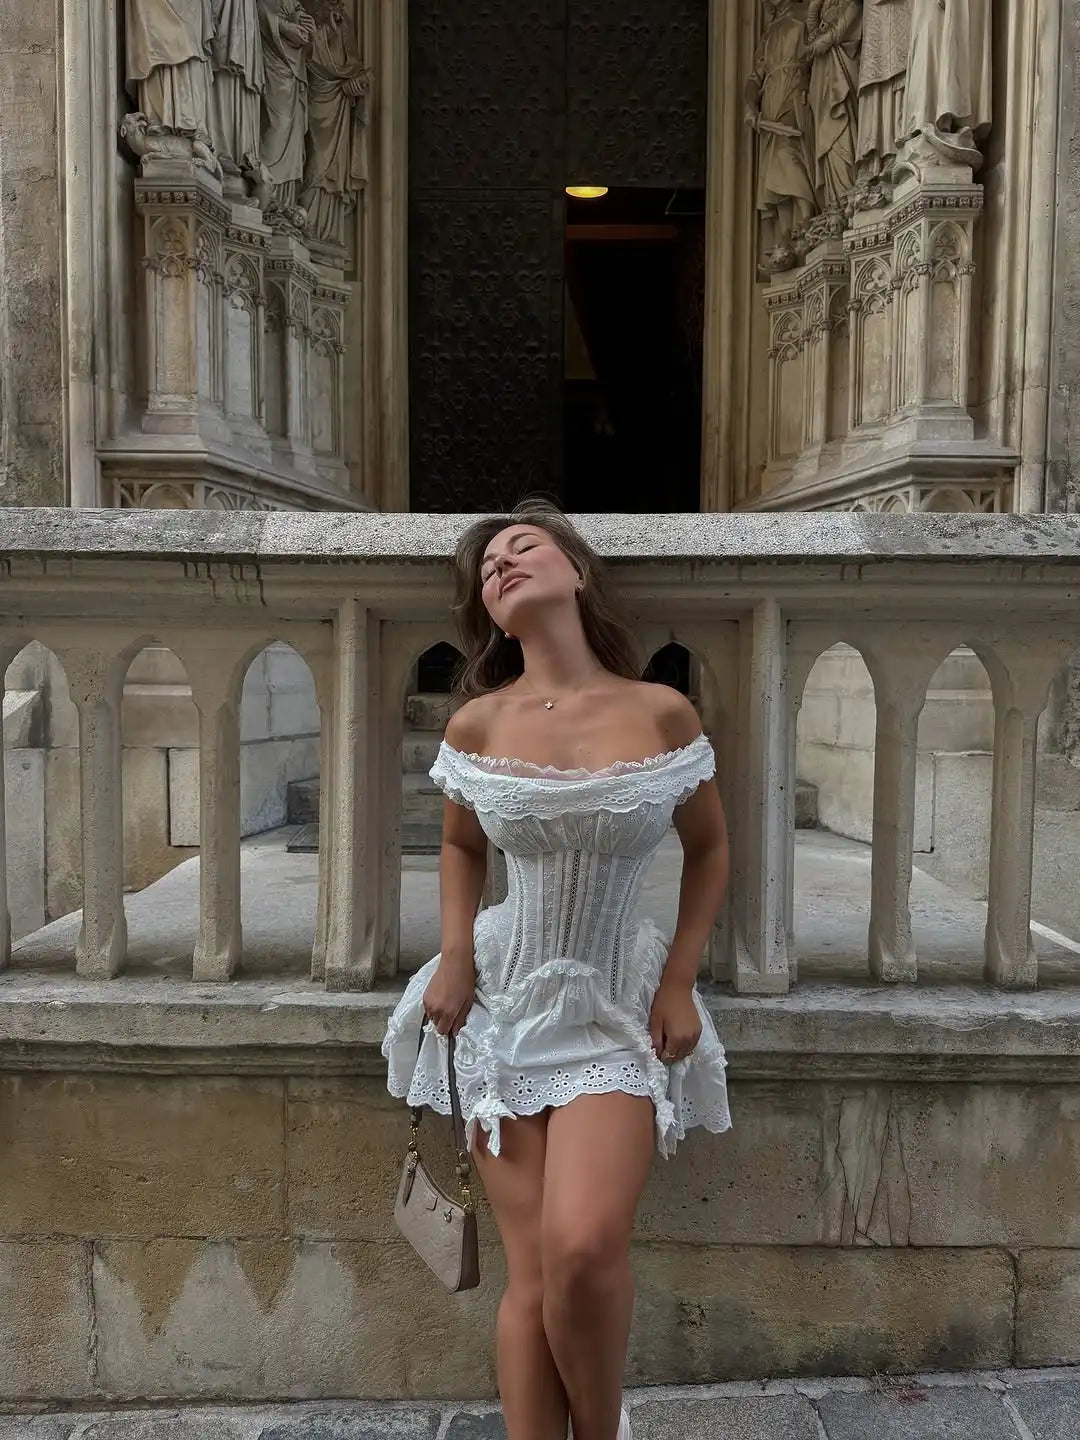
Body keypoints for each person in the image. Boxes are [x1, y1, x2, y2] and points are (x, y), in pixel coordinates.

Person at [383, 500, 732, 1440]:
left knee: (581, 1250)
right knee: (533, 1275)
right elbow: (460, 847)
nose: (501, 564)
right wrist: (455, 956)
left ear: (577, 571)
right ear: (492, 615)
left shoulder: (660, 710)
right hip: (501, 1006)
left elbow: (710, 850)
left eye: (523, 546)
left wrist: (679, 981)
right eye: (487, 567)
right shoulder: (478, 723)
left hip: (615, 1009)